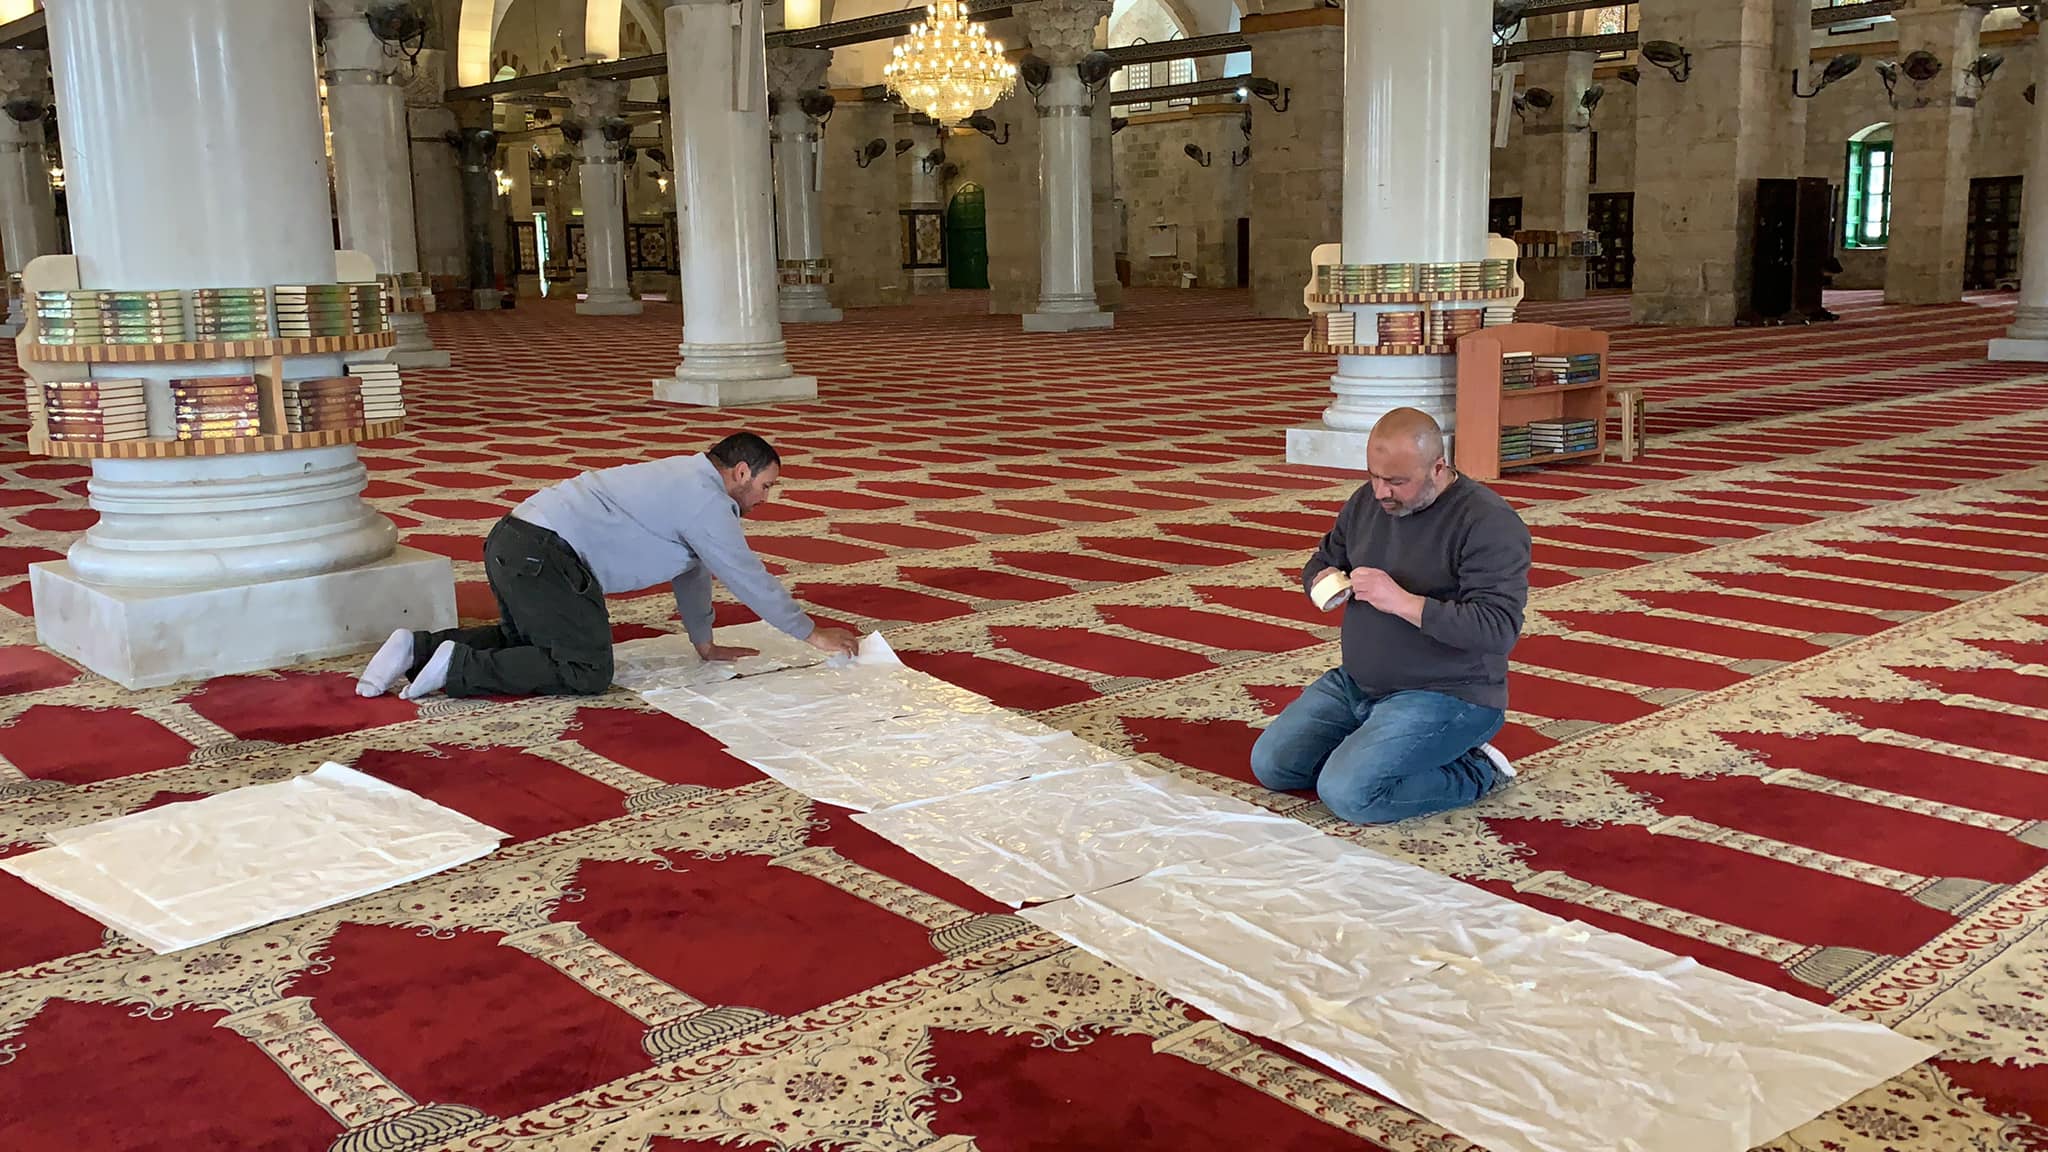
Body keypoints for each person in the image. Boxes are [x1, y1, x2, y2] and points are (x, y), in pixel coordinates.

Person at [356, 431, 859, 701]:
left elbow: (694, 570)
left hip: (513, 542)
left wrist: (703, 641)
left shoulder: (685, 479)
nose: (766, 498)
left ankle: (416, 648)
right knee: (585, 669)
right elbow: (745, 573)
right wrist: (811, 634)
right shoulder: (707, 500)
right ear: (741, 471)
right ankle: (459, 667)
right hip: (547, 555)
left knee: (530, 643)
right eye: (767, 486)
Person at [1251, 408, 1531, 823]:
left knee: (1349, 794)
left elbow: (1497, 629)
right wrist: (1321, 580)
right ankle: (1374, 748)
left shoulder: (1488, 523)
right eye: (1374, 476)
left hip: (1448, 694)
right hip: (1357, 684)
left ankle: (1477, 769)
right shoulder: (1367, 501)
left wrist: (1402, 601)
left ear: (1438, 468)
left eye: (1397, 482)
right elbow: (1324, 559)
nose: (1382, 492)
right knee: (1273, 766)